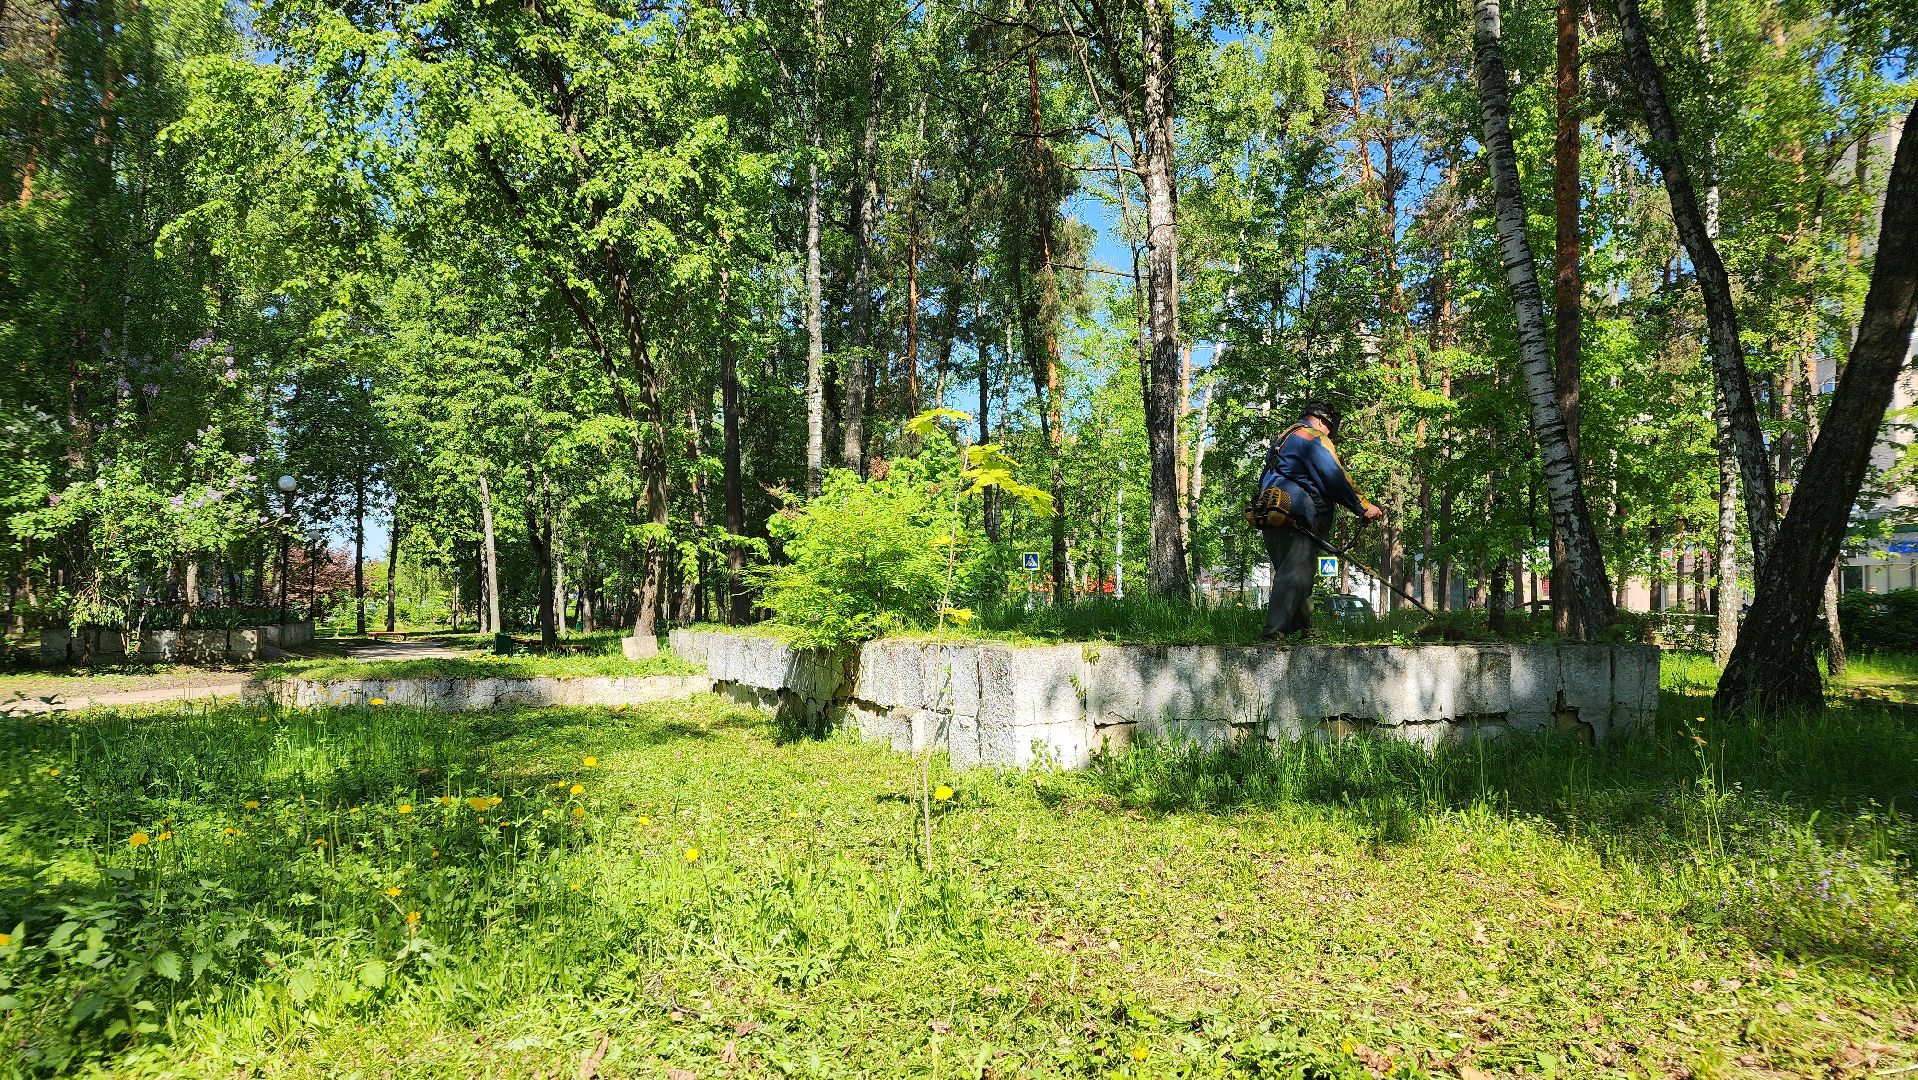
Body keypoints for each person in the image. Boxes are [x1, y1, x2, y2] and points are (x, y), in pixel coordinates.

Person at [1258, 402, 1383, 640]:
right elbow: (1335, 478)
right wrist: (1364, 507)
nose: (1329, 434)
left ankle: (1306, 629)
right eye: (1330, 429)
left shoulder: (1283, 439)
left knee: (1298, 574)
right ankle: (1274, 633)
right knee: (1295, 573)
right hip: (1297, 515)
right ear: (1322, 421)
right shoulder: (1312, 437)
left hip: (1272, 514)